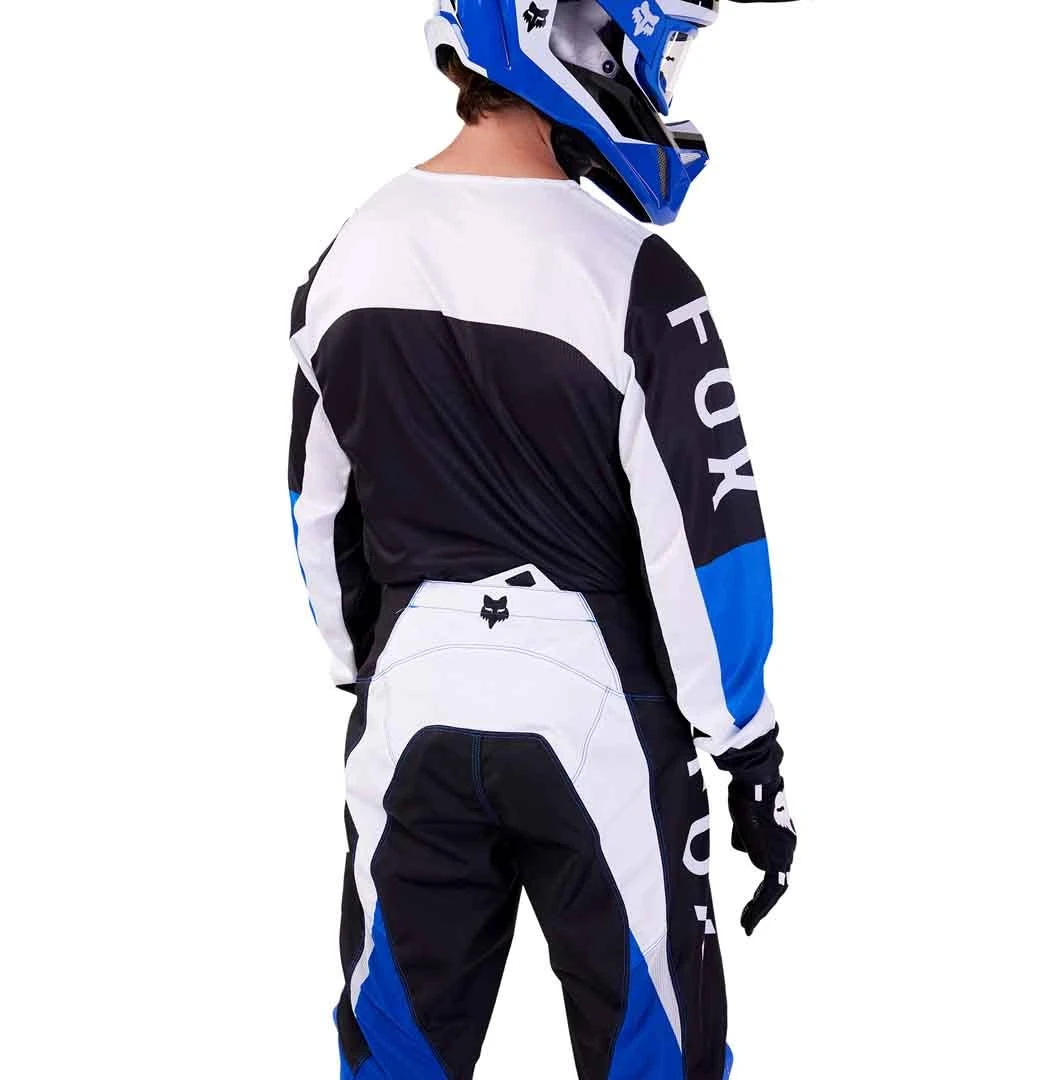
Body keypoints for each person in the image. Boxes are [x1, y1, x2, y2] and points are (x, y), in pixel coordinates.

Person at [288, 2, 799, 1077]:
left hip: (410, 698)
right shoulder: (638, 275)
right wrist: (748, 748)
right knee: (657, 1058)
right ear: (573, 29)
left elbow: (318, 514)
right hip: (601, 716)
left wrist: (370, 662)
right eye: (661, 44)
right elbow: (710, 540)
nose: (662, 76)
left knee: (393, 1057)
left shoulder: (346, 254)